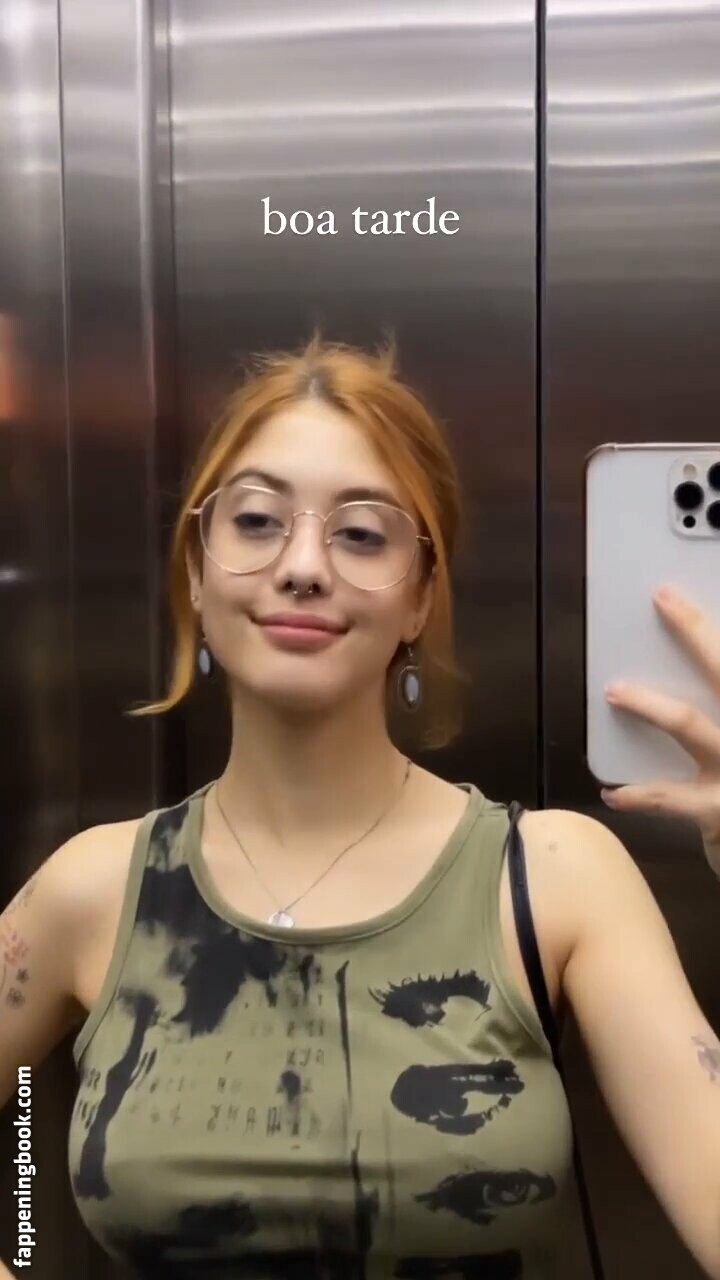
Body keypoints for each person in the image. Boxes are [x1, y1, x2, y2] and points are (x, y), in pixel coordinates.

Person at [1, 333, 719, 1280]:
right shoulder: (94, 889)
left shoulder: (554, 876)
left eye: (363, 533)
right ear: (197, 573)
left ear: (421, 597)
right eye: (257, 520)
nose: (303, 565)